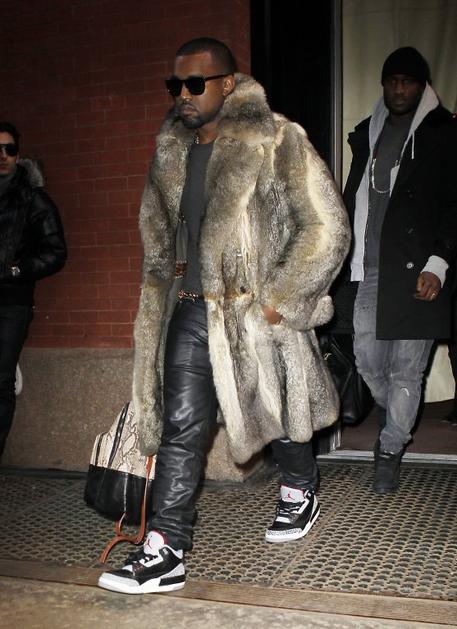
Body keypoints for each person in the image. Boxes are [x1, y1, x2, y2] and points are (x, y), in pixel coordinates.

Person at [98, 37, 350, 595]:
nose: (183, 95)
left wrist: (280, 300)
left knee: (276, 408)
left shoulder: (276, 139)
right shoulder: (171, 150)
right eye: (175, 85)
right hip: (190, 310)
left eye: (195, 84)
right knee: (182, 427)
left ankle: (300, 487)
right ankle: (165, 548)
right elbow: (164, 238)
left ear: (228, 83)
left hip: (255, 311)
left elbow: (326, 225)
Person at [343, 47, 457, 494]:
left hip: (418, 270)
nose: (398, 89)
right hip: (370, 266)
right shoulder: (367, 133)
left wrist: (439, 263)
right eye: (392, 81)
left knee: (407, 371)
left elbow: (453, 205)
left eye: (407, 81)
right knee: (367, 360)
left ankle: (389, 448)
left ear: (422, 86)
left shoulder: (443, 133)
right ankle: (397, 417)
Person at [0, 121, 67, 457]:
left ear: (18, 154)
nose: (3, 155)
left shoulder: (33, 199)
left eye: (9, 149)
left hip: (12, 304)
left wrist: (17, 269)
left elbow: (56, 252)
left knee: (0, 381)